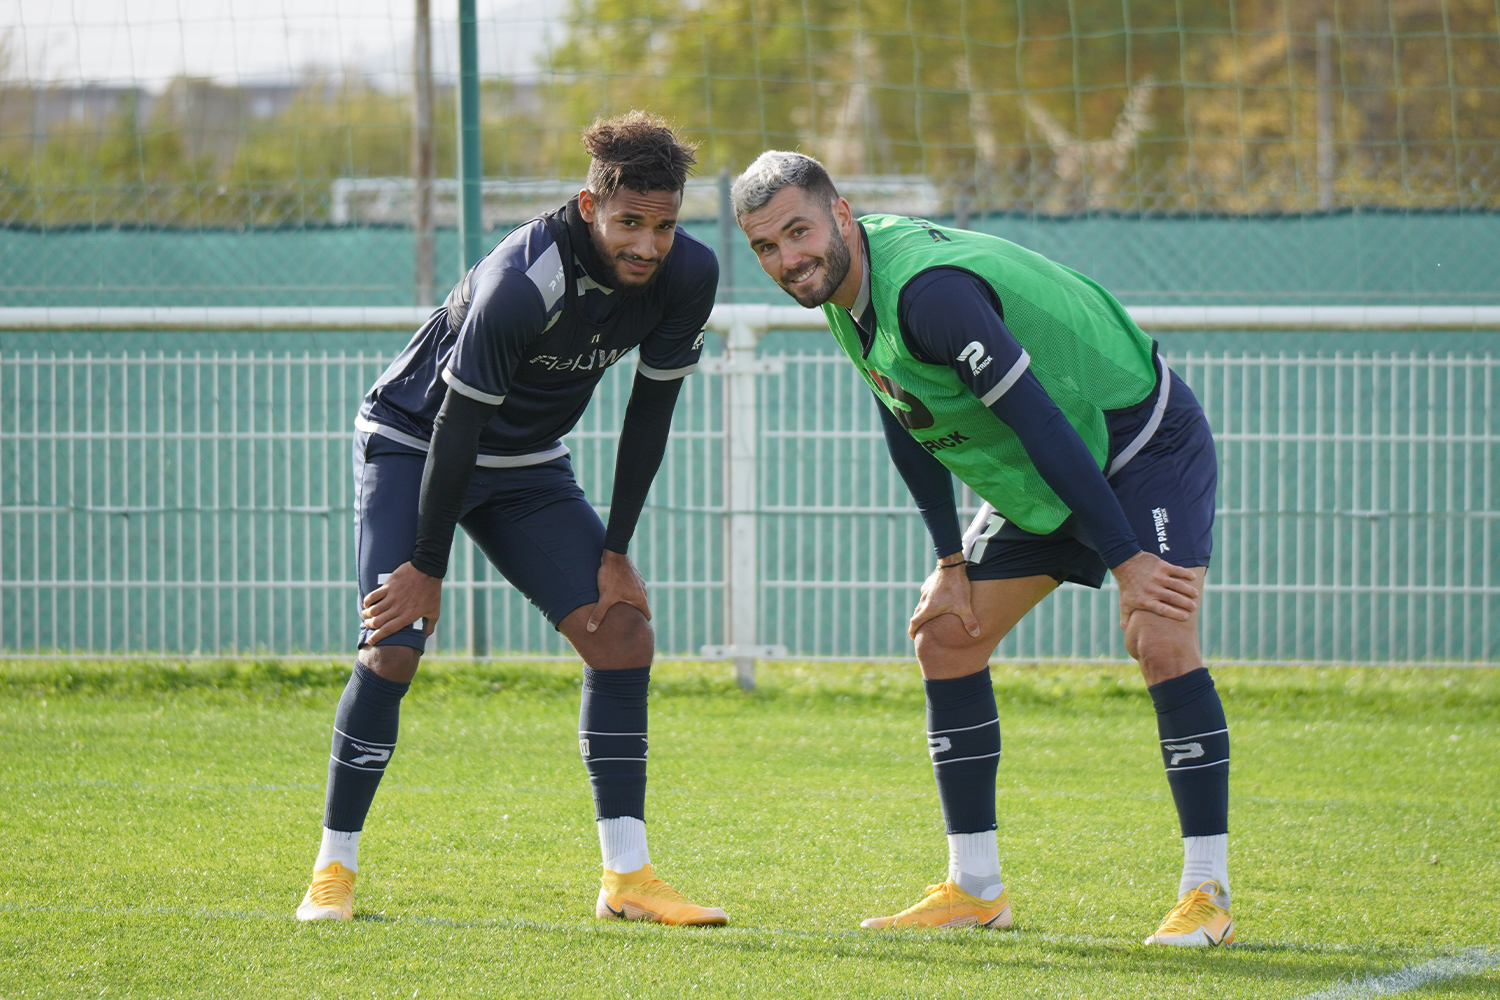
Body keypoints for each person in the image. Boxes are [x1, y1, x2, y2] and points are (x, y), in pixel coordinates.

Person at [732, 151, 1232, 946]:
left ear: (843, 214)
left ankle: (1207, 892)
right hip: (1051, 464)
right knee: (946, 635)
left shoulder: (931, 294)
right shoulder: (838, 288)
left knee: (1160, 634)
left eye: (798, 232)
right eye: (766, 247)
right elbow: (906, 414)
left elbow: (1042, 420)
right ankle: (975, 889)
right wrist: (950, 564)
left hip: (1137, 444)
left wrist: (1128, 559)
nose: (787, 259)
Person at [295, 112, 726, 927]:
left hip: (526, 463)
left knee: (622, 631)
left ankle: (627, 879)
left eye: (664, 226)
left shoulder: (686, 275)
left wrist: (616, 550)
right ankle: (332, 869)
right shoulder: (520, 281)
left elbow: (650, 413)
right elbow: (455, 427)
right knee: (392, 649)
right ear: (589, 205)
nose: (647, 245)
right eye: (630, 223)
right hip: (417, 444)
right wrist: (427, 564)